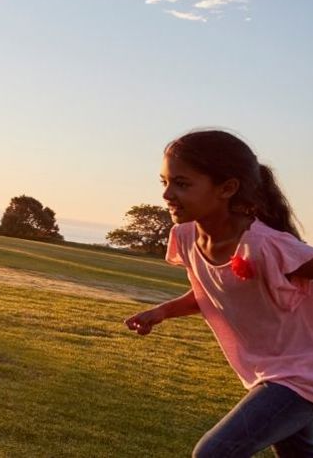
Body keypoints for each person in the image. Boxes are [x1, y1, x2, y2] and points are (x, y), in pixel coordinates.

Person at [124, 130, 313, 457]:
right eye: (164, 182)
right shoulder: (185, 237)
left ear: (227, 188)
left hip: (301, 377)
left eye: (182, 184)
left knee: (214, 452)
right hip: (270, 373)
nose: (167, 194)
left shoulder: (267, 245)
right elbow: (212, 290)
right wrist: (163, 311)